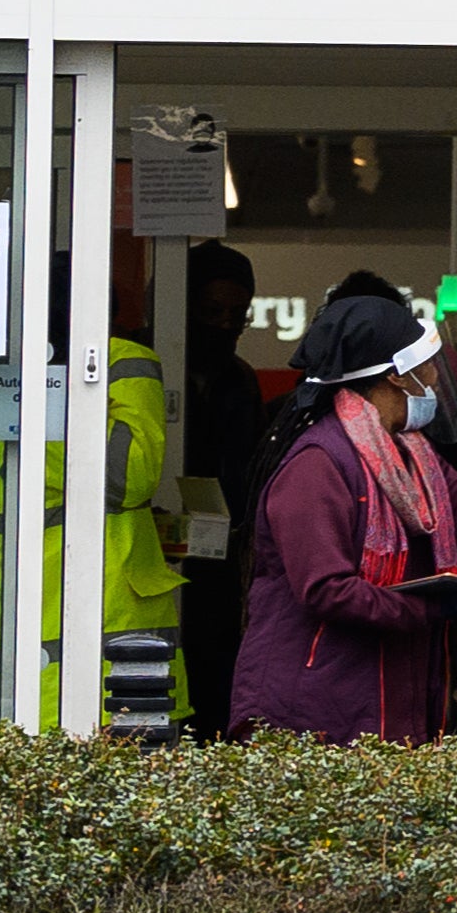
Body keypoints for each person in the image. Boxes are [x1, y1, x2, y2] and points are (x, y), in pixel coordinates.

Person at [234, 291, 457, 744]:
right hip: (318, 704)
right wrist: (432, 608)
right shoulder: (317, 465)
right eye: (426, 365)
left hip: (382, 696)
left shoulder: (410, 450)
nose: (435, 377)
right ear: (395, 375)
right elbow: (327, 590)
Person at [0, 239, 183, 728]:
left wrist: (56, 387)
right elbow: (128, 479)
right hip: (46, 615)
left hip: (63, 617)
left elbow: (126, 477)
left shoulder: (109, 362)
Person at [178, 241, 266, 734]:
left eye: (238, 315)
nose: (226, 325)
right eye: (213, 311)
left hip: (223, 564)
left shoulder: (241, 380)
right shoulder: (152, 364)